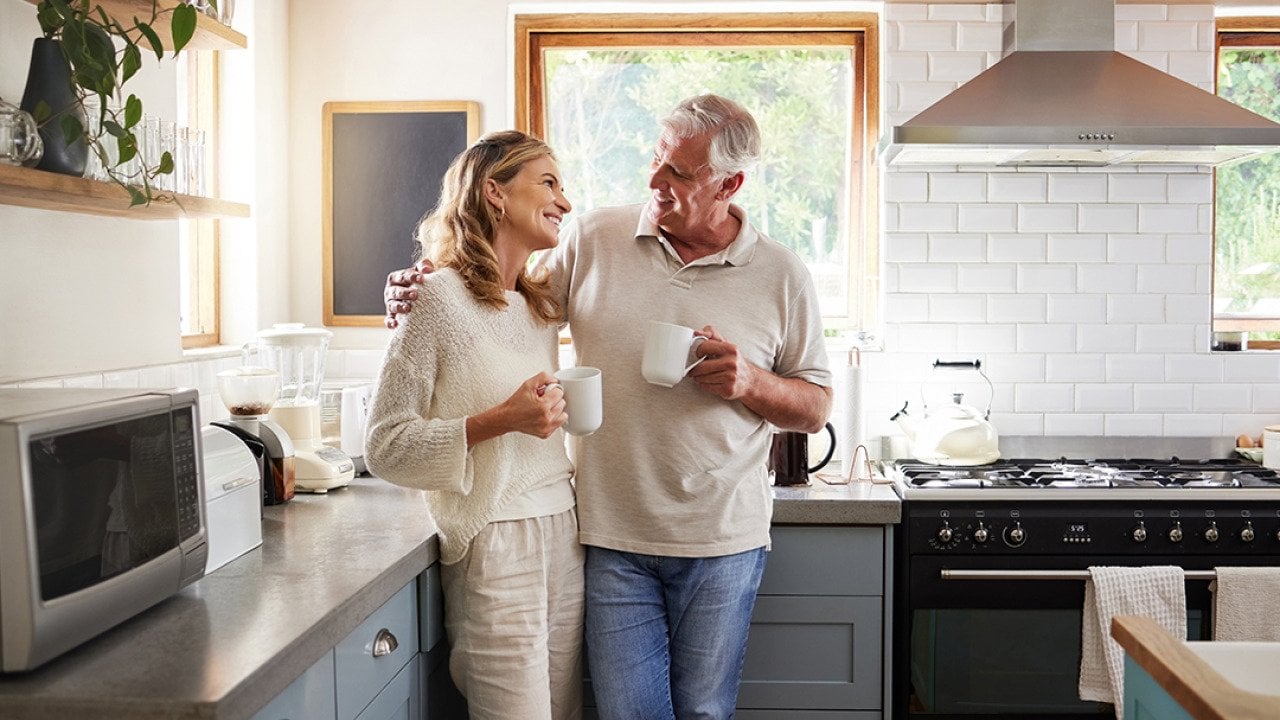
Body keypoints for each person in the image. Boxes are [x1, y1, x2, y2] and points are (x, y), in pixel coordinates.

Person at [384, 95, 833, 720]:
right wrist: (421, 282)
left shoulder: (781, 273)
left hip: (724, 538)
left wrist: (751, 382)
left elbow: (814, 407)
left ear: (729, 183)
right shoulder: (596, 238)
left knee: (705, 712)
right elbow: (508, 301)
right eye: (657, 159)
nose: (655, 180)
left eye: (679, 172)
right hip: (606, 535)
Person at [364, 130, 584, 720]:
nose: (564, 201)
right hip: (493, 539)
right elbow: (384, 446)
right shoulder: (433, 300)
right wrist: (499, 421)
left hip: (564, 533)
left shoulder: (538, 306)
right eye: (548, 183)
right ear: (495, 192)